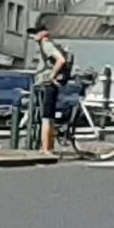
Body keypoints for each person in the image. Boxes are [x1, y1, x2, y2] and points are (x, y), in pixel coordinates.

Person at [29, 26, 75, 155]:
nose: (32, 36)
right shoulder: (50, 44)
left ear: (42, 34)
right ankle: (49, 146)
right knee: (50, 117)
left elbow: (61, 60)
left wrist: (51, 75)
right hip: (53, 83)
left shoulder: (46, 45)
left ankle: (46, 148)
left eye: (34, 33)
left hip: (49, 83)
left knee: (46, 117)